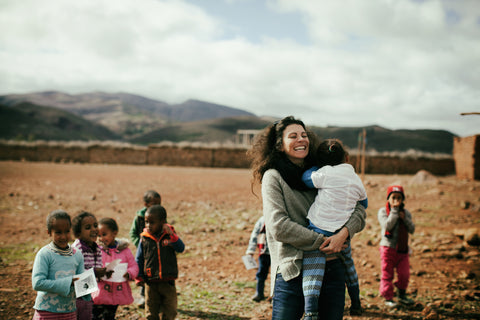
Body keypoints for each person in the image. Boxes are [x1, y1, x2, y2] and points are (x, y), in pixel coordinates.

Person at [247, 116, 366, 320]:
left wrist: (343, 234)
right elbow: (278, 226)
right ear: (279, 145)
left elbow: (359, 209)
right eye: (293, 136)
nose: (301, 139)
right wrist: (324, 241)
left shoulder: (325, 173)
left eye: (304, 135)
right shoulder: (273, 177)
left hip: (333, 266)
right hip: (292, 269)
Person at [301, 139, 368, 317]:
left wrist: (314, 168)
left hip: (319, 229)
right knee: (349, 265)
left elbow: (306, 179)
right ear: (346, 157)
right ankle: (355, 302)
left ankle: (310, 313)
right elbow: (364, 203)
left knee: (312, 271)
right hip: (342, 234)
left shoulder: (325, 173)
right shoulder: (355, 178)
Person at [32, 210, 84, 320]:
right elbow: (37, 283)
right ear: (49, 232)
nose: (64, 236)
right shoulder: (45, 254)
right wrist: (68, 282)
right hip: (47, 311)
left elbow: (81, 282)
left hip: (69, 310)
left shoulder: (77, 255)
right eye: (58, 232)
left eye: (67, 231)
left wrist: (92, 280)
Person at [135, 205, 185, 320]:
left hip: (168, 282)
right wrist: (139, 276)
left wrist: (172, 235)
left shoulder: (169, 236)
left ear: (162, 222)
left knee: (170, 310)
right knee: (151, 311)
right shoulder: (144, 239)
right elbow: (139, 258)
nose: (148, 225)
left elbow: (181, 248)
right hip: (150, 282)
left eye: (152, 222)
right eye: (146, 222)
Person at [92, 218, 139, 320]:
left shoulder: (124, 251)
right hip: (99, 292)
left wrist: (129, 273)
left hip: (116, 292)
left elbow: (134, 266)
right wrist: (100, 272)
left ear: (114, 233)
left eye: (104, 234)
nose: (101, 238)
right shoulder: (96, 251)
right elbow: (91, 266)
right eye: (98, 235)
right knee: (96, 316)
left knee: (110, 315)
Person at [378, 185, 415, 307]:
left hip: (402, 249)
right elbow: (387, 226)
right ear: (388, 199)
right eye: (393, 197)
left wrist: (405, 219)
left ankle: (402, 294)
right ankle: (388, 297)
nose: (396, 200)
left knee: (404, 274)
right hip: (388, 249)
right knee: (387, 273)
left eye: (399, 198)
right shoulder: (383, 212)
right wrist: (394, 211)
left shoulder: (406, 213)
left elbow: (412, 229)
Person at [72, 211, 110, 320]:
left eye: (95, 225)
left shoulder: (96, 248)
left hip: (88, 292)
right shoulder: (77, 249)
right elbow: (75, 272)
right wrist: (95, 272)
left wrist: (103, 273)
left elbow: (97, 267)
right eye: (88, 227)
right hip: (75, 295)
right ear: (78, 233)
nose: (94, 229)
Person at [129, 190, 161, 307]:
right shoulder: (139, 218)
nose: (157, 206)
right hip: (144, 252)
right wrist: (141, 246)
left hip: (157, 251)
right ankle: (144, 296)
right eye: (154, 204)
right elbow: (132, 233)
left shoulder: (161, 217)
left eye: (159, 204)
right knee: (144, 272)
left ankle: (158, 297)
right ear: (146, 205)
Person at [245, 215, 271, 302]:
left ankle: (275, 295)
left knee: (278, 275)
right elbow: (254, 235)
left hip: (278, 253)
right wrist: (250, 250)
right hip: (264, 251)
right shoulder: (262, 220)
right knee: (261, 272)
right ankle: (259, 292)